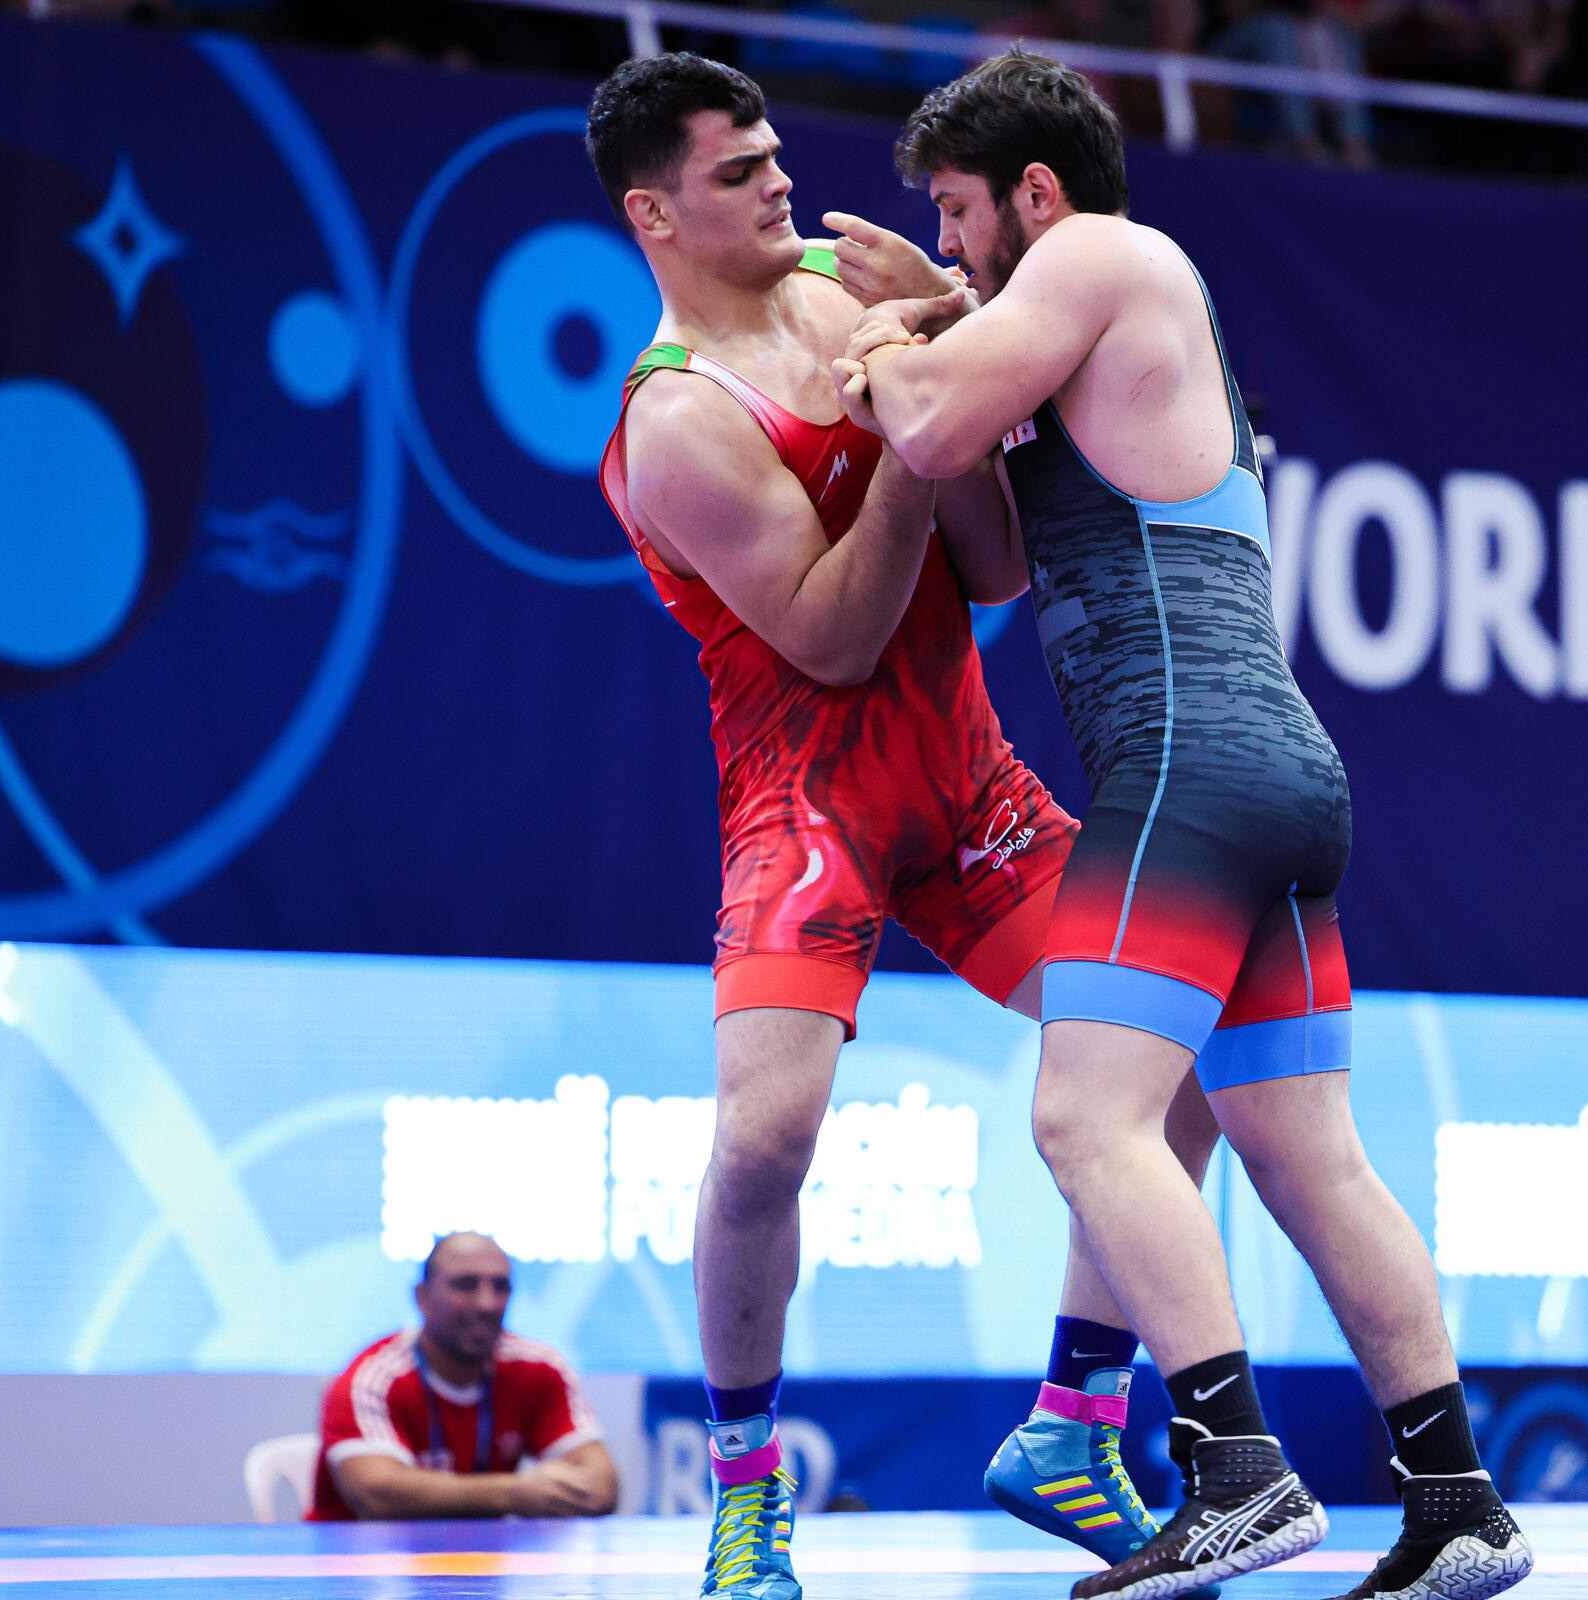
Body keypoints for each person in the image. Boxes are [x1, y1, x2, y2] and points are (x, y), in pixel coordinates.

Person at [836, 49, 1533, 1600]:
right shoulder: (1080, 313)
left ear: (1035, 191)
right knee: (1307, 1154)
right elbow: (993, 552)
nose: (947, 245)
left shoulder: (1100, 252)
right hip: (1269, 775)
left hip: (1187, 770)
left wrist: (885, 337)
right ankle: (1457, 1502)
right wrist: (934, 335)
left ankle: (1232, 1471)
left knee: (1088, 1122)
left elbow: (929, 420)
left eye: (957, 212)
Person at [583, 53, 1224, 1600]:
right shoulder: (677, 418)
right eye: (739, 172)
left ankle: (1075, 1424)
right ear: (654, 215)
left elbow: (992, 568)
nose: (783, 184)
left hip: (971, 786)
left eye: (774, 154)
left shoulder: (846, 287)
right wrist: (912, 425)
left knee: (1194, 1060)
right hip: (811, 805)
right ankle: (748, 1493)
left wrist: (948, 333)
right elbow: (834, 636)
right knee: (765, 1139)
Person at [308, 1232, 619, 1521]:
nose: (487, 1303)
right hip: (360, 1559)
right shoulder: (373, 1378)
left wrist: (556, 1491)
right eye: (466, 1285)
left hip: (486, 1559)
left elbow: (602, 1486)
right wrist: (514, 1492)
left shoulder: (539, 1369)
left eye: (500, 1286)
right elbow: (376, 1493)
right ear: (422, 1297)